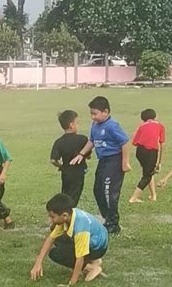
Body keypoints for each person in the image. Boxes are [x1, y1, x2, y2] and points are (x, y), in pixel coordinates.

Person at [71, 96, 131, 235]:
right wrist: (81, 154)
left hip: (114, 160)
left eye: (95, 113)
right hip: (103, 161)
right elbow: (92, 141)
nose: (93, 117)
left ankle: (113, 223)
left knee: (108, 192)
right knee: (97, 190)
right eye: (91, 113)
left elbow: (125, 143)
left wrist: (124, 163)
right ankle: (107, 217)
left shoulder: (112, 125)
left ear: (106, 111)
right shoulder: (95, 125)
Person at [30, 193, 108, 286]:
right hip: (95, 239)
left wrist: (71, 284)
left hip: (98, 248)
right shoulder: (69, 215)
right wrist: (38, 263)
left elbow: (79, 258)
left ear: (64, 215)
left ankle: (92, 268)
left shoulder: (81, 228)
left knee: (56, 254)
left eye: (52, 217)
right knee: (57, 239)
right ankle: (94, 260)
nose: (50, 220)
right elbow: (51, 238)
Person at [50, 110, 89, 206]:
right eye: (77, 122)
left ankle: (64, 210)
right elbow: (88, 155)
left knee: (66, 193)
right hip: (78, 173)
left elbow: (53, 160)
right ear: (72, 124)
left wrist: (61, 166)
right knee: (74, 196)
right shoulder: (82, 139)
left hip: (66, 173)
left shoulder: (59, 142)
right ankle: (68, 213)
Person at [129, 109, 165, 203]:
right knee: (147, 176)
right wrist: (159, 162)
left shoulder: (142, 126)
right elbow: (162, 144)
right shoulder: (160, 126)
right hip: (151, 152)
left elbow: (134, 143)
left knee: (149, 172)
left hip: (140, 152)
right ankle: (133, 198)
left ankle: (153, 195)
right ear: (155, 116)